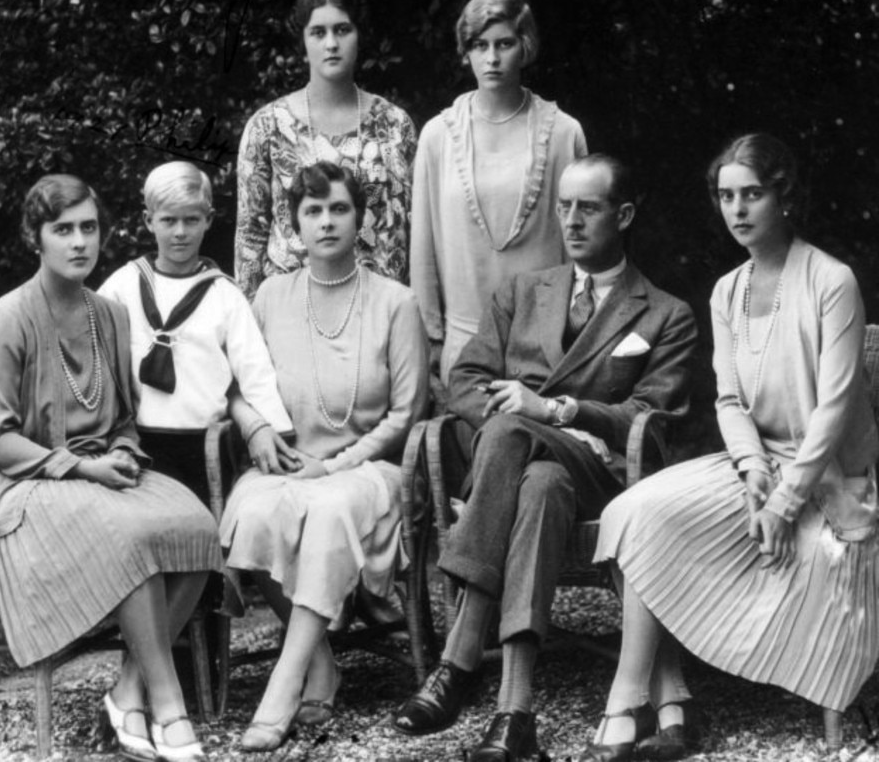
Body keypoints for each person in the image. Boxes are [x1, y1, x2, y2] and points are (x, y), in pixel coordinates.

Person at [579, 134, 879, 762]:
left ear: (784, 198)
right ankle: (631, 698)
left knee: (793, 526)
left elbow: (835, 406)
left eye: (753, 194)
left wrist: (783, 502)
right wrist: (749, 473)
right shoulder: (726, 291)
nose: (738, 210)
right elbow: (730, 402)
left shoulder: (831, 281)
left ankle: (637, 705)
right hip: (757, 463)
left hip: (830, 476)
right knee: (636, 510)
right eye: (726, 196)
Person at [392, 154, 698, 762]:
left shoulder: (666, 313)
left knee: (517, 433)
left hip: (603, 470)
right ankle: (515, 710)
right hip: (531, 469)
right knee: (535, 477)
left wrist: (559, 413)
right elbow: (465, 379)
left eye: (588, 207)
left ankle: (459, 657)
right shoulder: (521, 291)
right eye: (563, 206)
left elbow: (652, 417)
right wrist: (520, 422)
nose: (572, 220)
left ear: (625, 214)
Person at [0, 175, 221, 762]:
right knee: (130, 537)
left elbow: (124, 417)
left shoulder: (109, 314)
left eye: (88, 228)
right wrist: (79, 469)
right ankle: (168, 704)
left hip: (96, 473)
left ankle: (126, 692)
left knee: (199, 526)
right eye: (62, 230)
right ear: (37, 239)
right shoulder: (7, 320)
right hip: (17, 486)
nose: (79, 242)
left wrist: (123, 452)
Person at [220, 162, 429, 752]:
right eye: (312, 211)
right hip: (289, 462)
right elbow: (237, 382)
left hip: (368, 470)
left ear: (360, 219)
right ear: (295, 225)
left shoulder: (396, 302)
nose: (327, 221)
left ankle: (284, 683)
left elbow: (406, 414)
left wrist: (335, 467)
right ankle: (320, 663)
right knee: (249, 510)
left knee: (333, 507)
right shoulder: (270, 296)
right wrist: (255, 427)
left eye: (339, 209)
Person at [410, 0, 588, 385]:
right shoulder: (438, 136)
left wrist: (578, 330)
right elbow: (422, 248)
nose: (491, 58)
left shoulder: (562, 133)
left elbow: (584, 243)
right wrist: (431, 339)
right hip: (464, 344)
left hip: (547, 345)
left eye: (504, 43)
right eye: (479, 45)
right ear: (466, 52)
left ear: (524, 46)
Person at [98, 161, 294, 505]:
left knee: (202, 537)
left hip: (205, 446)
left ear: (209, 219)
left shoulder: (224, 295)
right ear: (148, 221)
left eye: (191, 219)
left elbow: (255, 371)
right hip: (137, 443)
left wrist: (278, 434)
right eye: (168, 220)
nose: (180, 232)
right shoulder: (122, 285)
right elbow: (91, 349)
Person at [234, 0, 416, 299]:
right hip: (291, 314)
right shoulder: (268, 126)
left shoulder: (394, 125)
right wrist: (250, 328)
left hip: (378, 312)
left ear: (359, 35)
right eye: (318, 32)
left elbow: (410, 227)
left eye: (343, 30)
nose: (331, 43)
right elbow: (250, 237)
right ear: (303, 40)